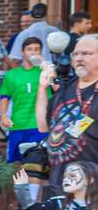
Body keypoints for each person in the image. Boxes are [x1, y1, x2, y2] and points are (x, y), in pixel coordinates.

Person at [36, 34, 98, 189]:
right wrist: (42, 87)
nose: (79, 58)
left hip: (92, 188)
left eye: (86, 53)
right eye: (75, 54)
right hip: (60, 183)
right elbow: (43, 126)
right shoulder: (65, 88)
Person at [0, 36, 45, 163]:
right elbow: (5, 96)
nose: (33, 52)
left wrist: (45, 66)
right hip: (18, 124)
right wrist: (3, 116)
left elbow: (56, 87)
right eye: (30, 49)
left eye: (37, 49)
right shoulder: (12, 74)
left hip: (40, 126)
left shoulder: (45, 72)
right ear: (22, 52)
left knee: (39, 163)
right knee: (15, 163)